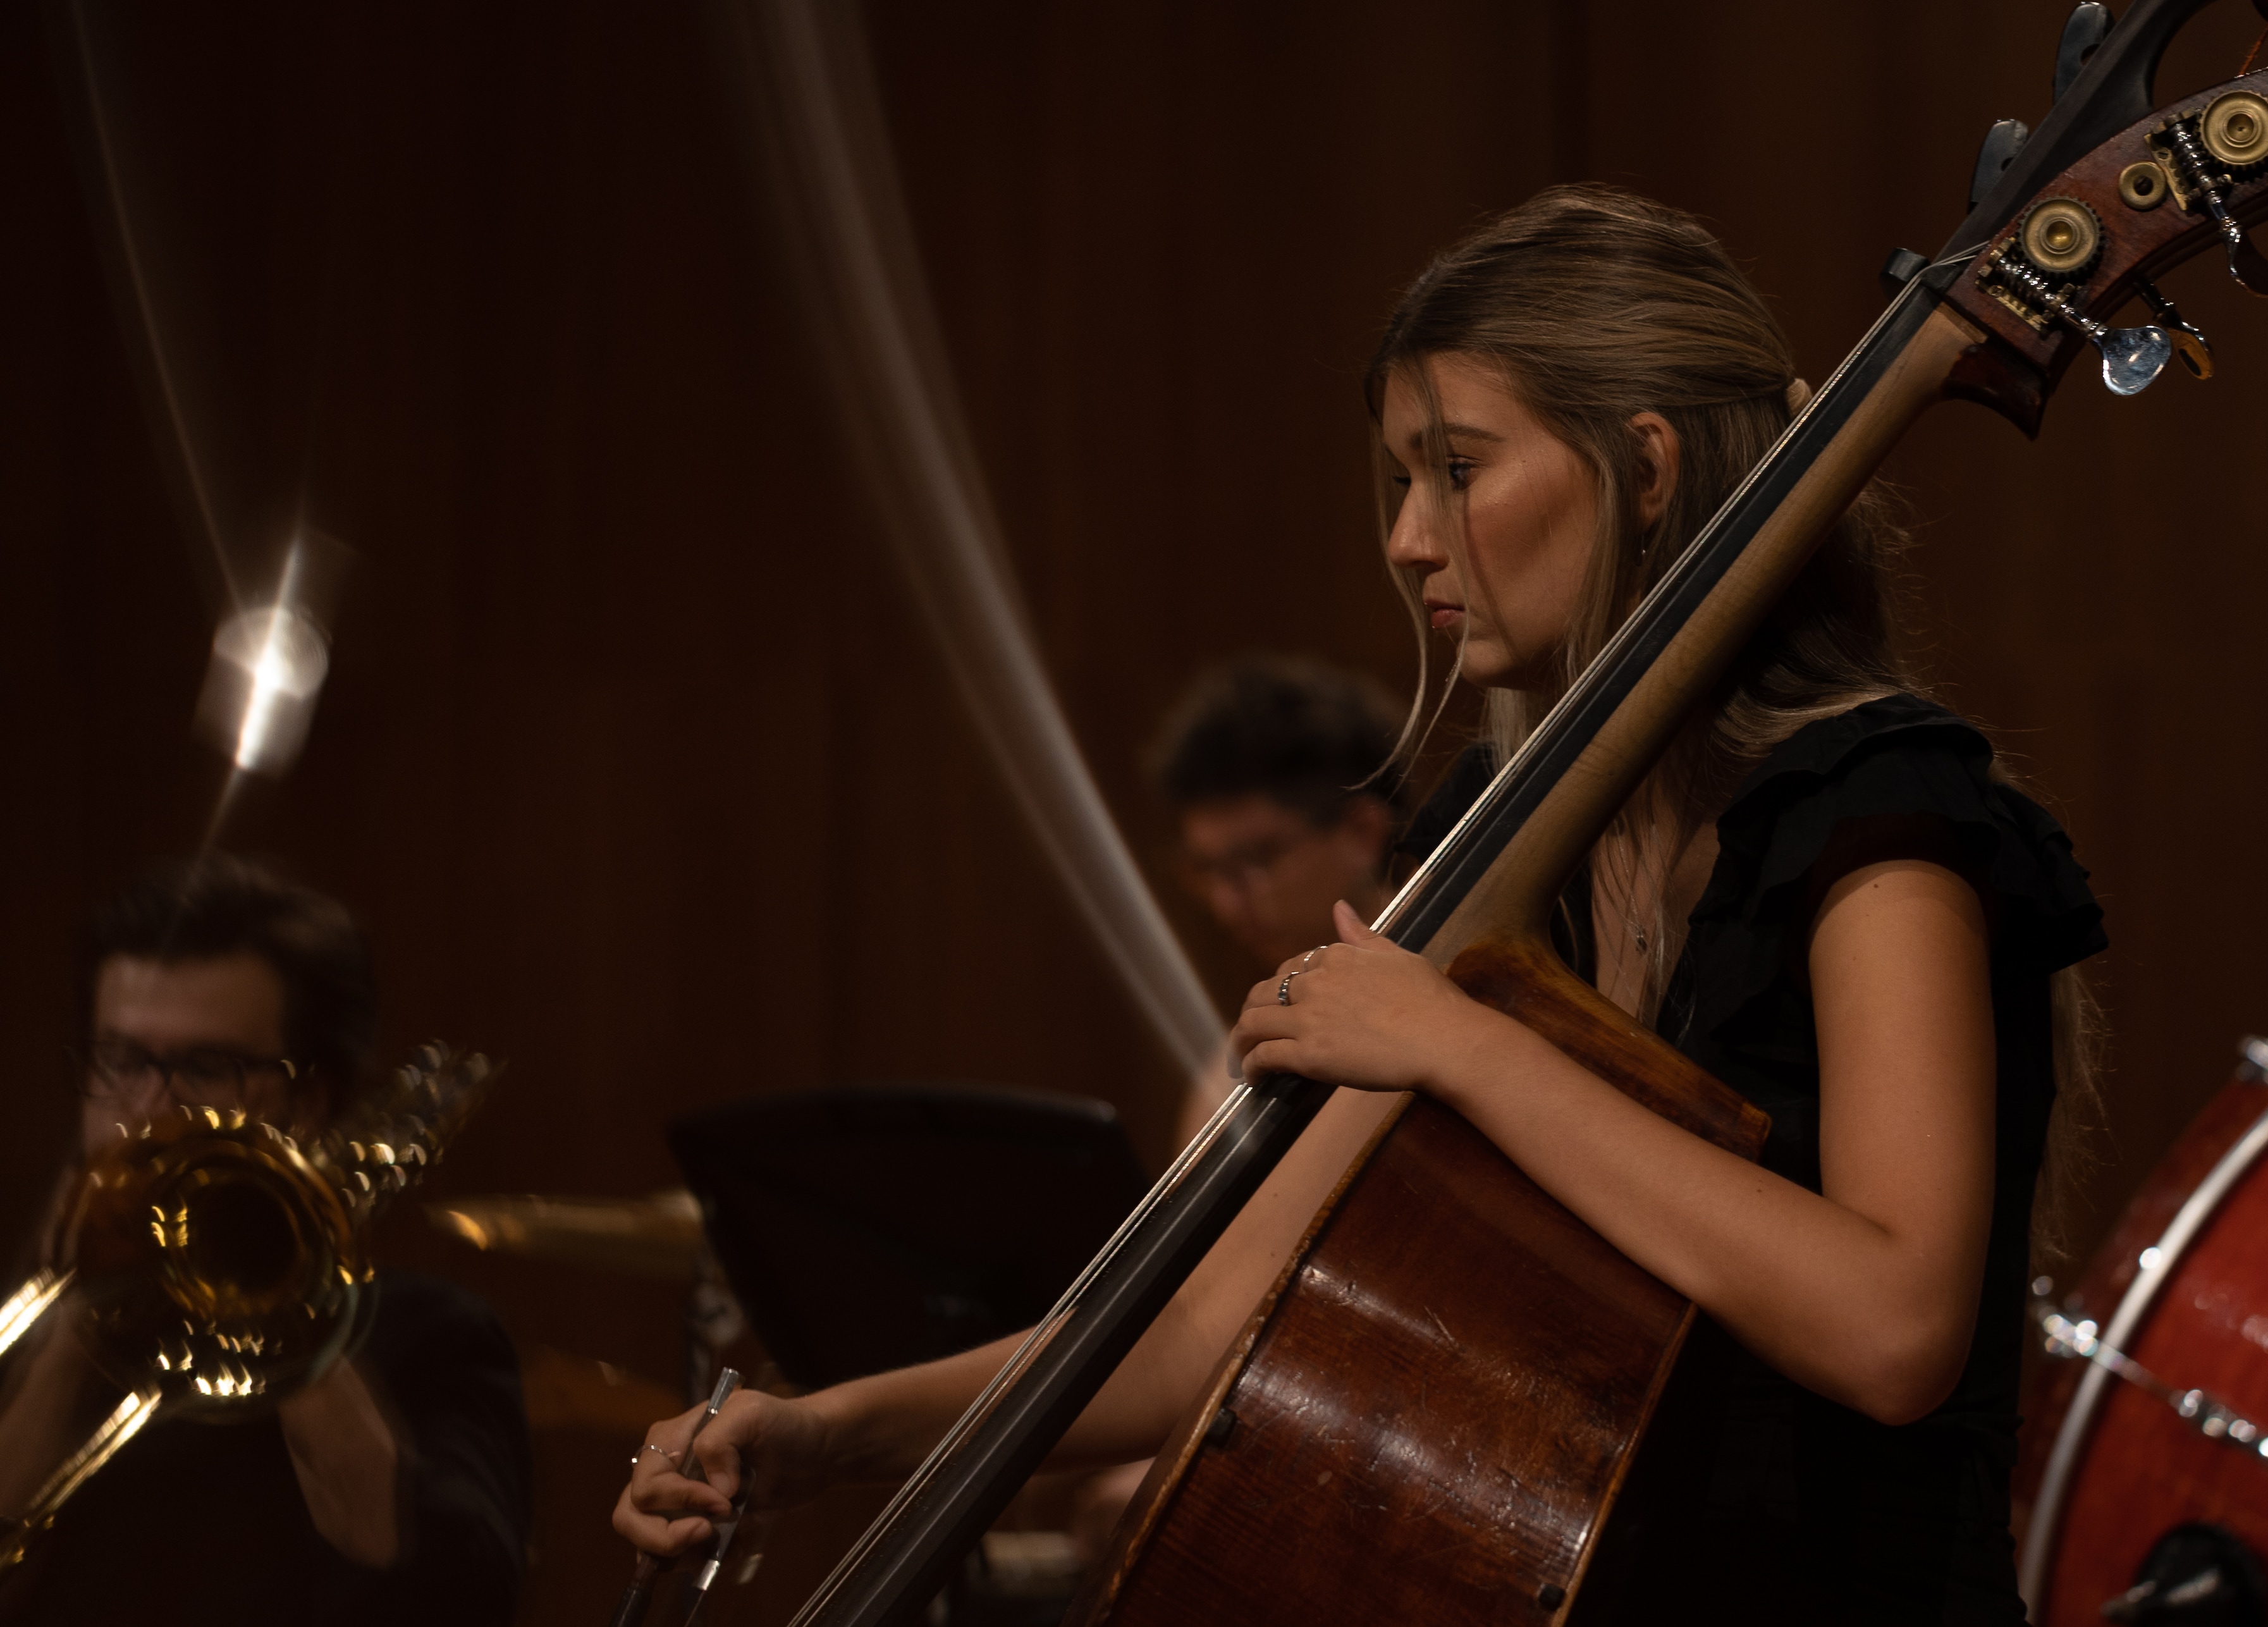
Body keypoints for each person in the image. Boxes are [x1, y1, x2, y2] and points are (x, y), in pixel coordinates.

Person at [616, 187, 2104, 1623]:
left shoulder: (1883, 818)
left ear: (1645, 469)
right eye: (1401, 478)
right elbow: (1213, 1319)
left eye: (1454, 467)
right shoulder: (1499, 840)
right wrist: (826, 1434)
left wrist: (1463, 1048)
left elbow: (1895, 1325)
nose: (1405, 537)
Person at [0, 857, 530, 1624]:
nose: (149, 1107)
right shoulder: (28, 1336)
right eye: (121, 1060)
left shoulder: (441, 1339)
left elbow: (454, 1605)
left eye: (205, 1067)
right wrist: (78, 1334)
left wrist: (275, 1297)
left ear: (308, 1101)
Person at [1149, 654, 1405, 1143]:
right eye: (1206, 869)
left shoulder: (1456, 1011)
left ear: (1361, 831)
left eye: (1255, 859)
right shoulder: (1227, 1079)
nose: (1226, 903)